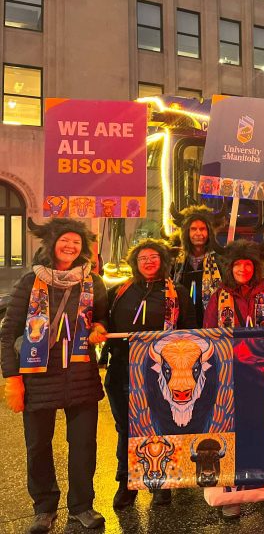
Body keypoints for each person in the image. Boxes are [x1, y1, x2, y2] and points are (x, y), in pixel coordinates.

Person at [1, 219, 108, 533]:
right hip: (38, 377)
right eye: (65, 241)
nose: (71, 246)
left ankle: (82, 505)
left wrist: (99, 327)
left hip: (81, 376)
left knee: (84, 445)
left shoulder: (93, 283)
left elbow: (102, 317)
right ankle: (44, 508)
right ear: (52, 244)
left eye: (76, 242)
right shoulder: (29, 283)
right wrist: (12, 377)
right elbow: (8, 334)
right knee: (37, 446)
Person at [104, 239, 196, 510]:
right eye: (143, 257)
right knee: (126, 428)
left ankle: (162, 482)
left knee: (162, 424)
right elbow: (102, 322)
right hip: (122, 369)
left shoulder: (176, 292)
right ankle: (127, 482)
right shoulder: (119, 291)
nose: (148, 262)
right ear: (135, 262)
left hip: (161, 373)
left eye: (154, 257)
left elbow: (189, 330)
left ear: (163, 261)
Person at [204, 240, 264, 518]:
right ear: (230, 268)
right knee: (230, 432)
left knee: (263, 428)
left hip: (260, 374)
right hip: (228, 375)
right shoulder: (219, 297)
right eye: (237, 264)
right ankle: (231, 496)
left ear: (255, 267)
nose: (242, 268)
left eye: (248, 264)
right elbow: (209, 336)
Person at [170, 205, 223, 325]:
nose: (198, 233)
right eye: (193, 229)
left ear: (209, 232)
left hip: (211, 321)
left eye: (202, 229)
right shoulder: (175, 261)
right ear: (186, 232)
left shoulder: (220, 260)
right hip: (181, 320)